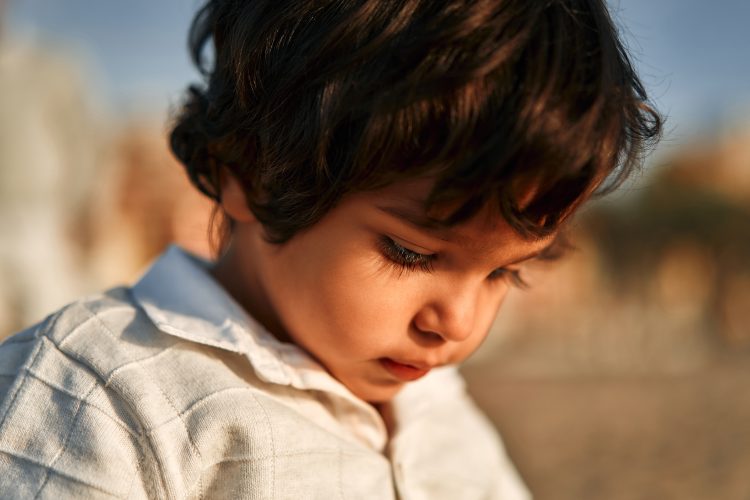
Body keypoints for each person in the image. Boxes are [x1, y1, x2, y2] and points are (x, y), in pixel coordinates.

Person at [0, 0, 660, 498]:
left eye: (504, 274)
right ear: (252, 175)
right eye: (412, 253)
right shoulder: (99, 392)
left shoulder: (441, 413)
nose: (459, 325)